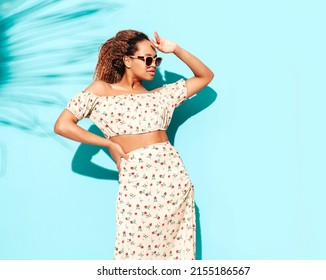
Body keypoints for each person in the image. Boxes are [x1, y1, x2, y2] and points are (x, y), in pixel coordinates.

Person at [54, 29, 213, 260]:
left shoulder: (161, 96)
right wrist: (108, 144)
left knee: (177, 258)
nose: (153, 65)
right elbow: (62, 125)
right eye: (147, 59)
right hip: (137, 183)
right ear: (127, 60)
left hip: (173, 182)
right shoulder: (101, 91)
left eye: (156, 60)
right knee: (134, 255)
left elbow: (205, 76)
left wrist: (175, 49)